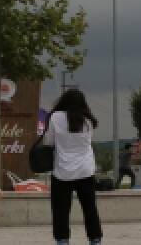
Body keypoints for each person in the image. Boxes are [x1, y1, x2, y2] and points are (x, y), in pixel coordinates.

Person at [41, 89, 102, 245]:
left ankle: (62, 241)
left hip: (62, 171)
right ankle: (95, 240)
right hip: (85, 170)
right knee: (90, 209)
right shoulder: (88, 120)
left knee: (61, 210)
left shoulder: (55, 117)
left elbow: (48, 142)